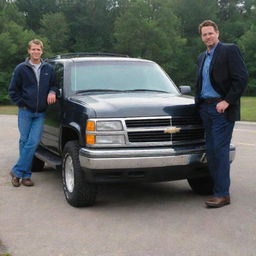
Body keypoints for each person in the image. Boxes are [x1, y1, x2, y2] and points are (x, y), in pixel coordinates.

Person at [195, 20, 248, 208]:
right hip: (206, 109)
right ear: (201, 37)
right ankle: (217, 187)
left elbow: (241, 78)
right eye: (204, 34)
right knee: (210, 150)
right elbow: (200, 83)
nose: (208, 37)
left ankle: (222, 194)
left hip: (221, 109)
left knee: (219, 150)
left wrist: (227, 101)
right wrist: (199, 105)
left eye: (210, 33)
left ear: (217, 33)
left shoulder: (229, 50)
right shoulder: (202, 57)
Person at [9, 39, 57, 187]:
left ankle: (17, 171)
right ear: (29, 51)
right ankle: (26, 176)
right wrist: (22, 104)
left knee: (33, 142)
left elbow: (54, 85)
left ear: (42, 51)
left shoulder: (48, 68)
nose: (36, 52)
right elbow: (13, 90)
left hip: (40, 113)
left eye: (38, 49)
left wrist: (52, 91)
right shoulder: (21, 69)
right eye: (33, 49)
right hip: (25, 112)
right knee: (24, 141)